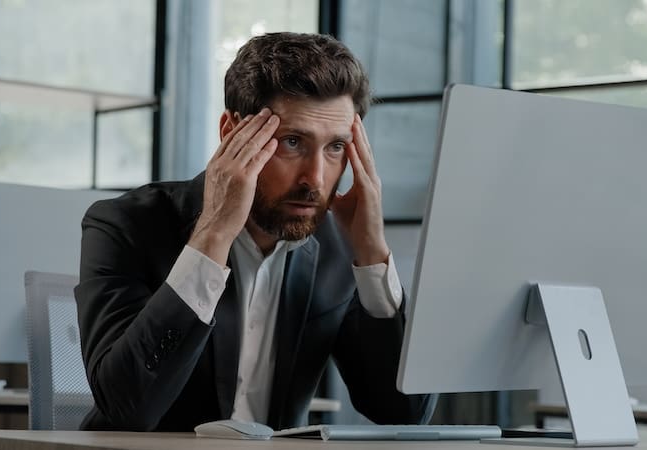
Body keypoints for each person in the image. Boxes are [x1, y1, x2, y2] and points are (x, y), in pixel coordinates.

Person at [74, 32, 436, 432]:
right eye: (293, 142)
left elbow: (404, 412)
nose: (314, 179)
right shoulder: (125, 225)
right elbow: (127, 407)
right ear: (231, 132)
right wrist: (212, 238)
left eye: (335, 148)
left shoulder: (338, 251)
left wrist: (372, 255)